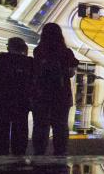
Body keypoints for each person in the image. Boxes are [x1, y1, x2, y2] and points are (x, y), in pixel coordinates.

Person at [31, 23, 78, 155]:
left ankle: (39, 152)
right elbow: (71, 73)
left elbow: (37, 71)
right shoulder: (66, 52)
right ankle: (60, 152)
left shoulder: (38, 51)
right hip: (61, 95)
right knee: (60, 125)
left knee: (40, 125)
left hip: (41, 94)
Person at [0, 37, 33, 155]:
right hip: (22, 102)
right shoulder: (29, 62)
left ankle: (0, 155)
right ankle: (19, 156)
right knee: (20, 130)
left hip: (2, 100)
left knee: (1, 131)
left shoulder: (1, 59)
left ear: (9, 47)